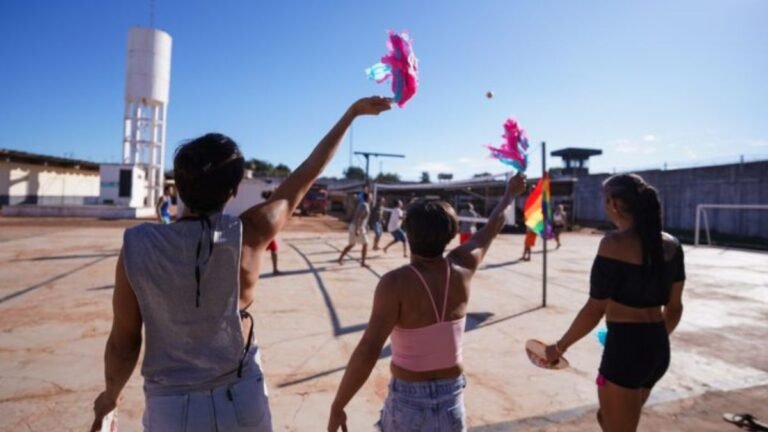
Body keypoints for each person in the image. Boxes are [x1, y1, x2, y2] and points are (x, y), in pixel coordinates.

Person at [89, 96, 392, 432]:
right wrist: (351, 115)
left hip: (171, 408)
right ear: (233, 190)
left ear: (180, 188)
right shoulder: (248, 233)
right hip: (241, 401)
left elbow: (124, 342)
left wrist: (110, 397)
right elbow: (308, 171)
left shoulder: (139, 245)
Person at [327, 174, 526, 432]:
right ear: (451, 234)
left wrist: (338, 405)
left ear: (407, 232)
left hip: (408, 403)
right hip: (452, 401)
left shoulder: (394, 283)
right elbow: (491, 227)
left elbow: (368, 349)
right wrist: (510, 194)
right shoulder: (463, 266)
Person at [543, 174, 685, 432]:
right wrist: (652, 342)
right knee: (607, 418)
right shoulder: (672, 246)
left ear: (615, 203)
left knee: (616, 426)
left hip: (626, 350)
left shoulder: (613, 244)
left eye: (604, 199)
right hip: (658, 347)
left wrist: (560, 346)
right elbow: (674, 308)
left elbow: (594, 309)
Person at [337, 192, 372, 267]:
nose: (371, 198)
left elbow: (363, 218)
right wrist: (357, 229)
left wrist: (366, 226)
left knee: (352, 244)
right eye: (371, 196)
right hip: (357, 227)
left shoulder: (364, 205)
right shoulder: (364, 205)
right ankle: (363, 263)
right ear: (368, 198)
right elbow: (358, 217)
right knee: (365, 244)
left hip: (356, 226)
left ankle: (340, 258)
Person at [262, 190, 281, 275]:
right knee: (273, 250)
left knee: (273, 250)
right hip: (267, 232)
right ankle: (275, 269)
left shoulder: (265, 205)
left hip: (267, 231)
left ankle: (275, 269)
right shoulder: (269, 206)